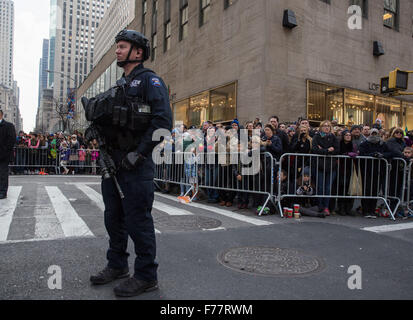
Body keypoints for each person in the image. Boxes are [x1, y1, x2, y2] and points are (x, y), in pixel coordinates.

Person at [85, 29, 172, 297]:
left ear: (138, 52)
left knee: (138, 221)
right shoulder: (118, 86)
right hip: (113, 162)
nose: (117, 51)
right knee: (114, 218)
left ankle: (146, 276)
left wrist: (141, 153)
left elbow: (163, 123)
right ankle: (117, 265)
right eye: (117, 46)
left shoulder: (150, 82)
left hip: (136, 163)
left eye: (122, 46)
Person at [311, 120, 339, 215]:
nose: (326, 127)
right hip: (319, 166)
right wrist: (327, 150)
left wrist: (322, 149)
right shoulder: (317, 137)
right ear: (321, 127)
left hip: (331, 166)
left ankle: (326, 207)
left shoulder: (333, 137)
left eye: (328, 126)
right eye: (324, 126)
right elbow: (314, 150)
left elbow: (337, 150)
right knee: (320, 187)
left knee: (328, 188)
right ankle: (320, 206)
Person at [0, 109, 16, 199]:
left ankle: (2, 191)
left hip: (3, 155)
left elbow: (11, 140)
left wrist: (5, 151)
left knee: (2, 174)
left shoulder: (9, 126)